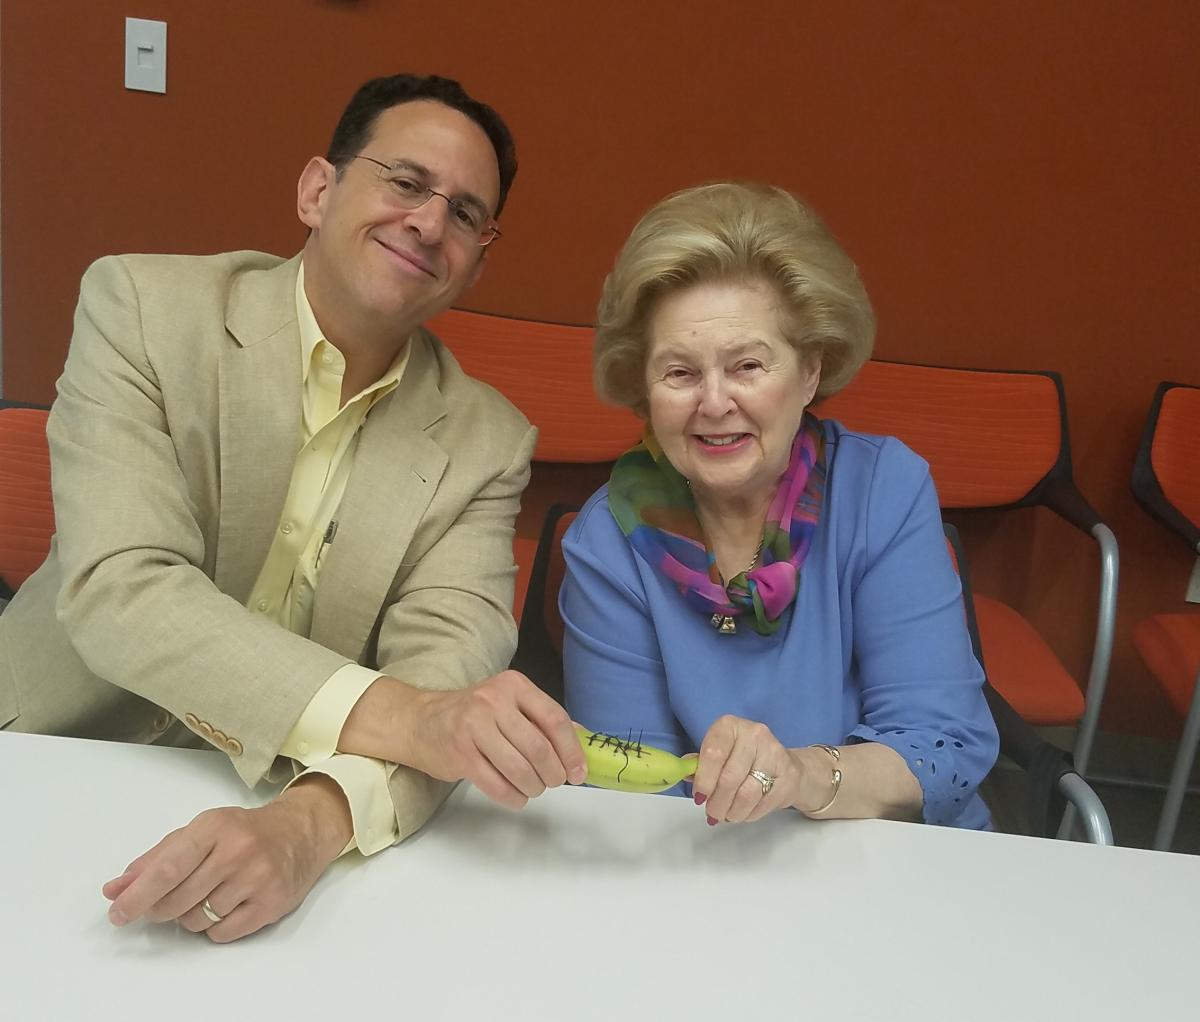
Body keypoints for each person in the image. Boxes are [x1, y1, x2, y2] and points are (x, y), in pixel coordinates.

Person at [0, 73, 584, 942]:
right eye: (406, 182)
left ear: (475, 261)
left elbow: (448, 671)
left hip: (270, 804)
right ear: (318, 189)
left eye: (466, 213)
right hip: (45, 759)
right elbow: (123, 589)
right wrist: (414, 720)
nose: (429, 221)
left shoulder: (488, 441)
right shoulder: (141, 308)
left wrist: (307, 825)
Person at [561, 182, 998, 830]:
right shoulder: (608, 542)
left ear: (811, 370)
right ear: (643, 385)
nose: (714, 403)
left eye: (747, 366)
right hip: (699, 871)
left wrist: (800, 775)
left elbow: (942, 748)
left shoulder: (885, 493)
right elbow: (631, 792)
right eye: (680, 372)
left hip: (895, 859)